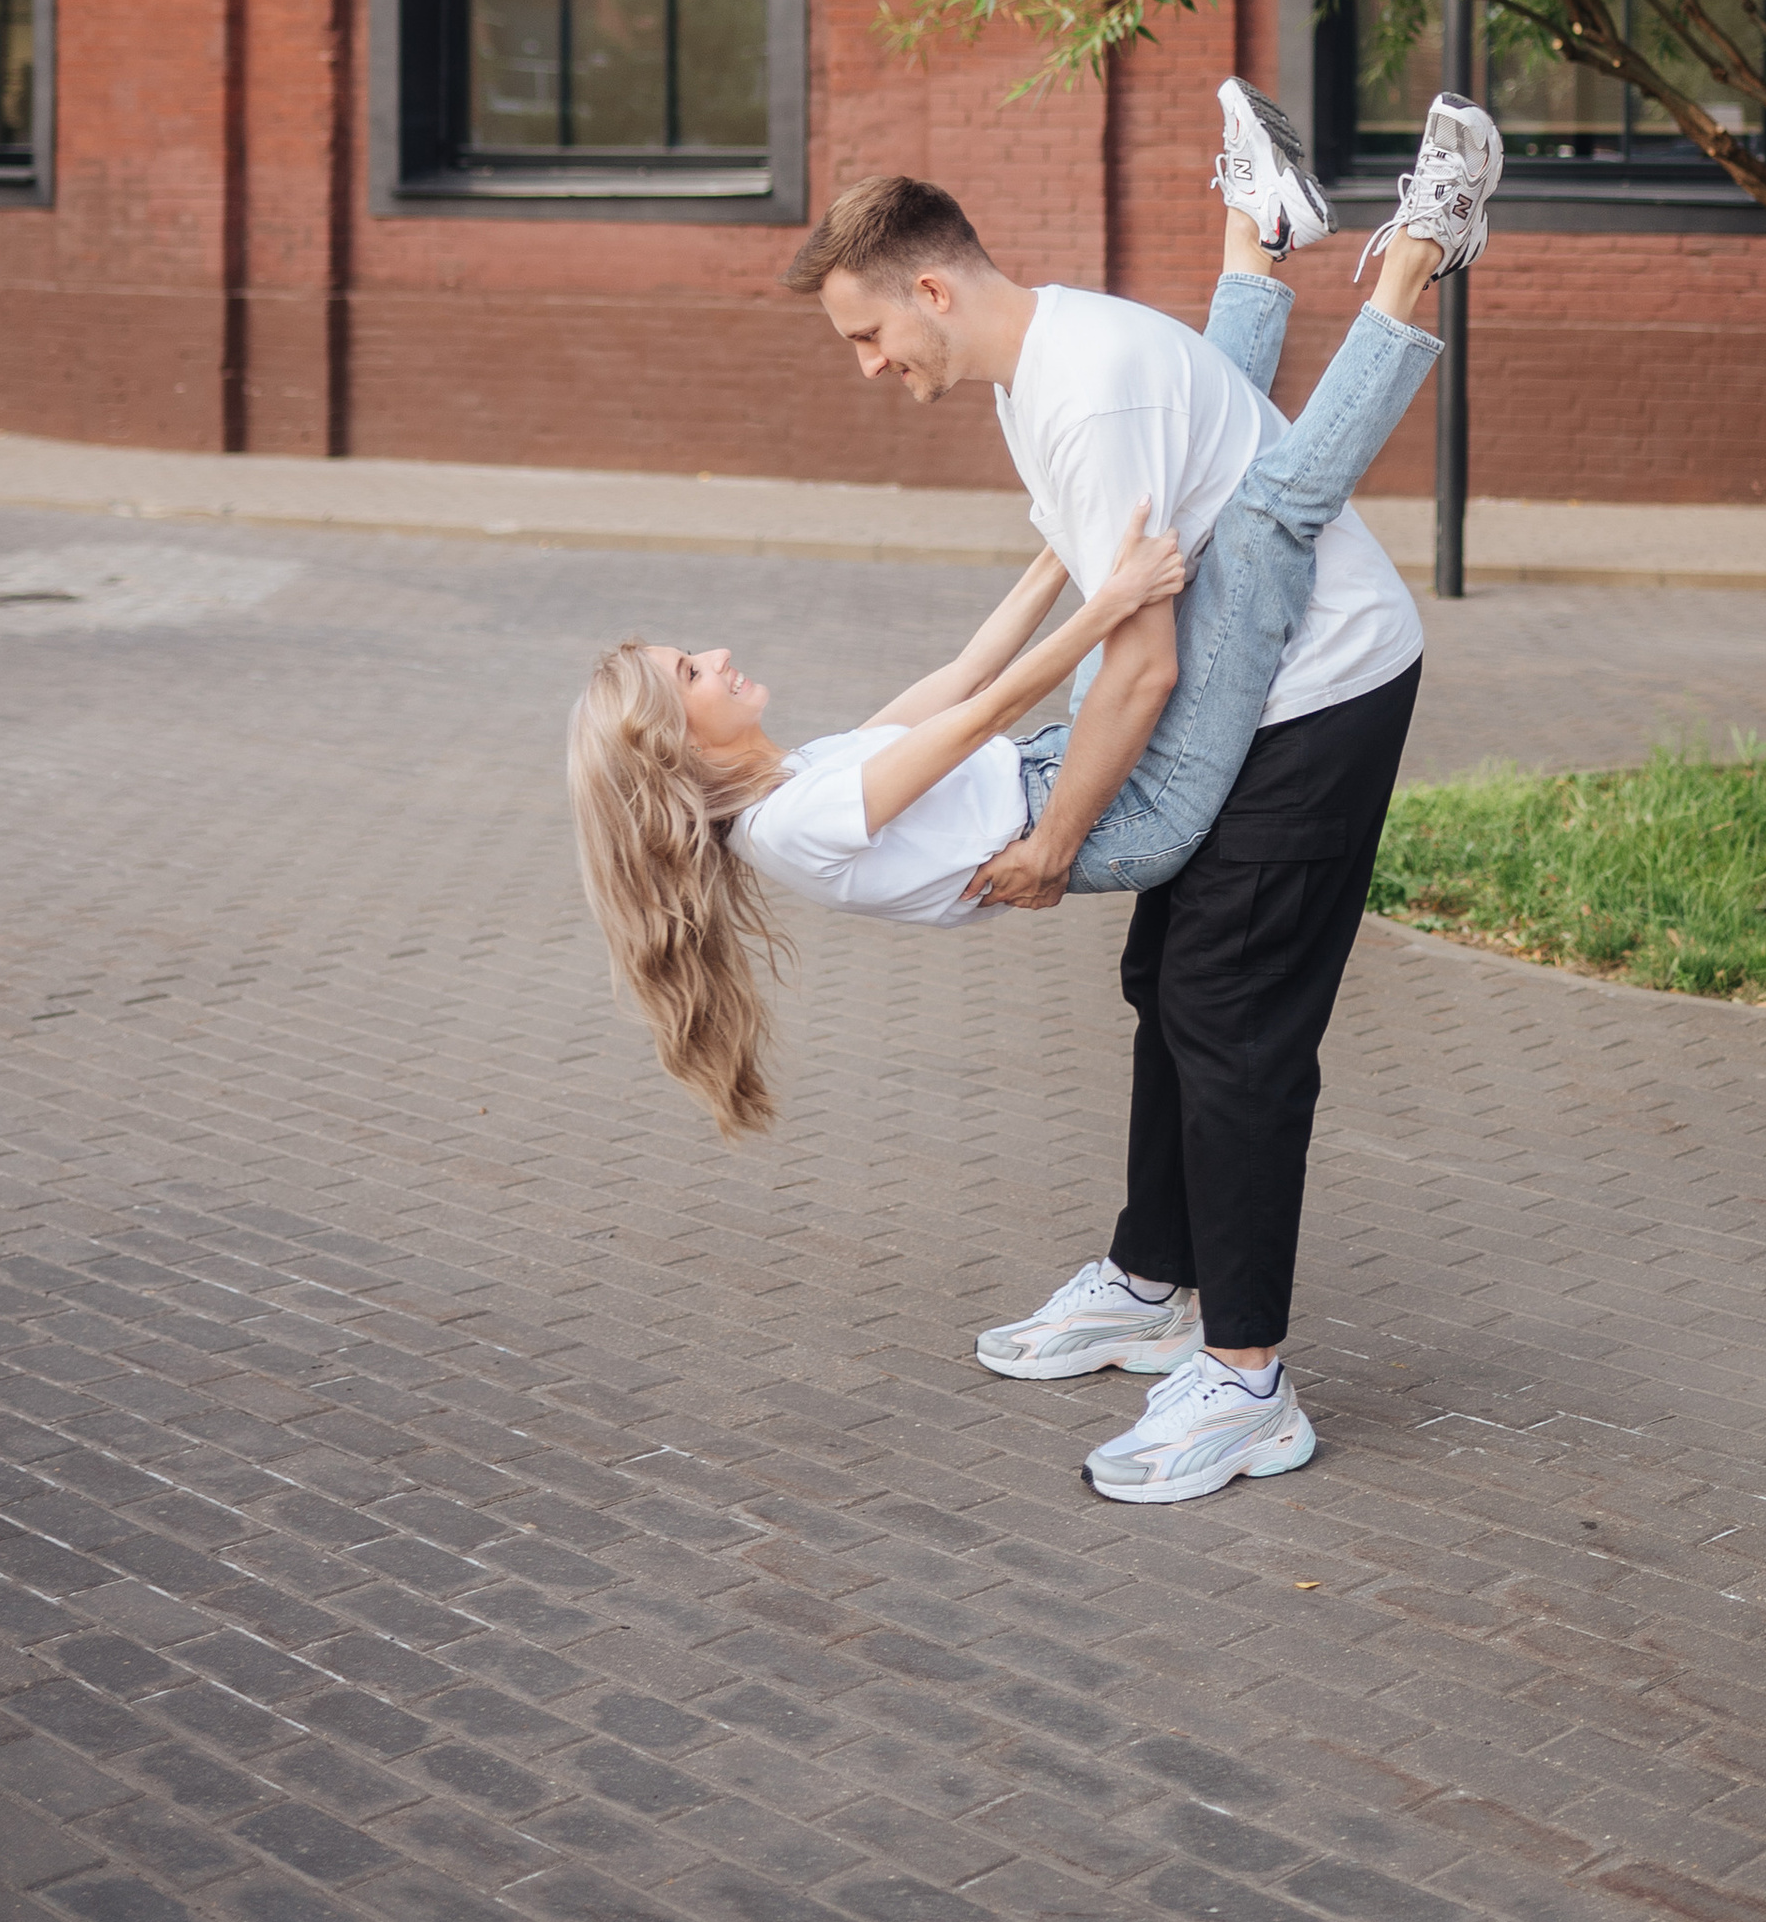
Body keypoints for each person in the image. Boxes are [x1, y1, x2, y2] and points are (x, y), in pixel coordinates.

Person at [778, 79, 1504, 1505]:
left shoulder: (1082, 386)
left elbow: (1139, 669)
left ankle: (1246, 1379)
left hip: (1317, 694)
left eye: (869, 333)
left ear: (931, 286)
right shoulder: (1045, 369)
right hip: (1264, 683)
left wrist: (1052, 838)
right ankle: (1156, 1277)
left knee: (1229, 1019)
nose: (869, 364)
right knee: (1168, 980)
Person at [567, 94, 1473, 1142]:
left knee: (1183, 473)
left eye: (868, 333)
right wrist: (1104, 617)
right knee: (1266, 520)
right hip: (1113, 819)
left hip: (1060, 777)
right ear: (672, 747)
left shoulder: (797, 776)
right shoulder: (795, 824)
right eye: (690, 672)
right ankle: (1420, 250)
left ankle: (1259, 228)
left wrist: (1067, 547)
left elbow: (961, 675)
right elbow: (977, 714)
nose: (716, 656)